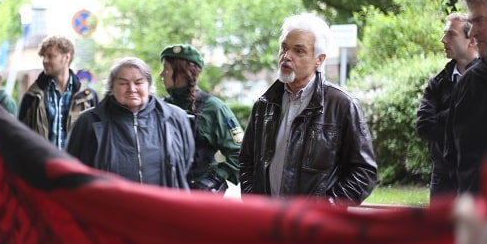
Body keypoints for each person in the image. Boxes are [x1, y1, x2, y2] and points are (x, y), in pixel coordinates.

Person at [239, 13, 377, 205]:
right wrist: (252, 201)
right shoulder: (264, 104)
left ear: (319, 59)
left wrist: (327, 209)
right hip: (266, 221)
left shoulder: (342, 105)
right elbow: (247, 160)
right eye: (284, 48)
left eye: (299, 51)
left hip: (314, 228)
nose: (286, 56)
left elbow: (364, 172)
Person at [66, 57, 194, 189]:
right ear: (111, 87)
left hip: (163, 206)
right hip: (109, 206)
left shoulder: (175, 117)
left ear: (149, 85)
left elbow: (186, 161)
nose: (132, 89)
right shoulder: (88, 121)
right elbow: (73, 170)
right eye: (123, 83)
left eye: (139, 83)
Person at [159, 44, 244, 192]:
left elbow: (240, 153)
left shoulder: (213, 108)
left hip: (199, 195)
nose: (161, 74)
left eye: (167, 69)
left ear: (183, 73)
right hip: (166, 191)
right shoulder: (160, 107)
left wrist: (215, 178)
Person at [416, 13, 479, 198]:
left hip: (478, 176)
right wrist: (461, 117)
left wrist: (442, 117)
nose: (443, 40)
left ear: (472, 40)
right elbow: (424, 126)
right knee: (439, 228)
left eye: (451, 34)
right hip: (443, 177)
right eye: (445, 34)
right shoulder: (438, 82)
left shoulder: (486, 81)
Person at [445, 0, 487, 194]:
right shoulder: (473, 84)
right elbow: (462, 165)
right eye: (471, 22)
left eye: (479, 21)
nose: (472, 33)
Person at [18, 35, 98, 149]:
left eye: (50, 56)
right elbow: (20, 137)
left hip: (76, 166)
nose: (45, 61)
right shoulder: (32, 96)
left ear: (67, 58)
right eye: (43, 56)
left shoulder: (89, 97)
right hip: (42, 165)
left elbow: (97, 140)